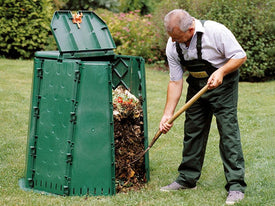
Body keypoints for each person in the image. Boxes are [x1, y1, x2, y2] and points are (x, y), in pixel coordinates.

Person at [159, 9, 247, 205]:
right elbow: (175, 81)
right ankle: (187, 179)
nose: (173, 42)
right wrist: (167, 114)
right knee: (193, 131)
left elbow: (240, 56)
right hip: (197, 86)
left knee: (228, 132)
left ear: (191, 29)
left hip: (223, 85)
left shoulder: (215, 31)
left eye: (178, 38)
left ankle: (236, 186)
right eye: (172, 38)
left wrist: (222, 71)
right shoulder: (173, 44)